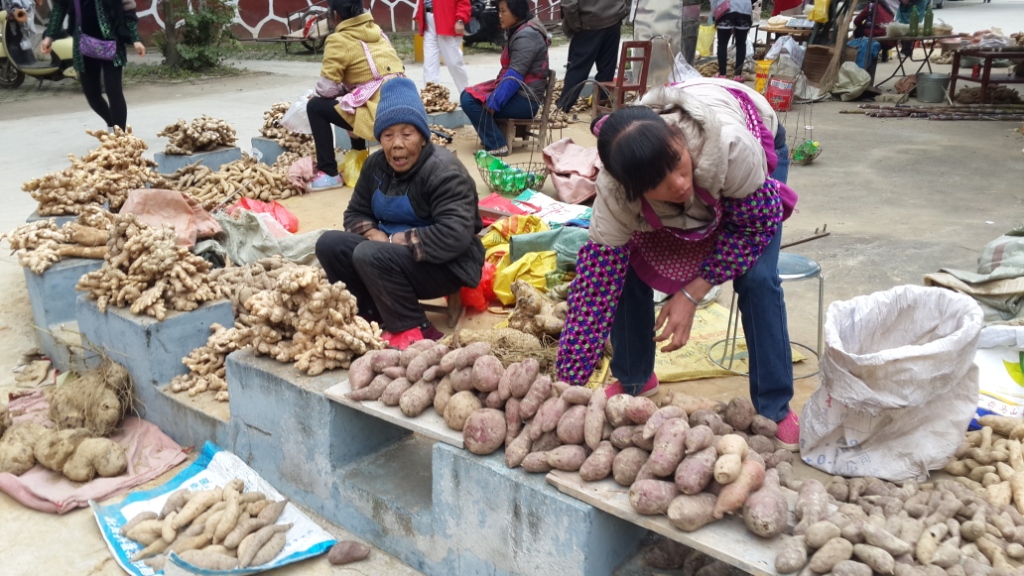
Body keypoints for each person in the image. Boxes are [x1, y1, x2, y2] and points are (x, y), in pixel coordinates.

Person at [555, 78, 800, 450]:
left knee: (758, 278)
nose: (679, 183)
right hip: (675, 165)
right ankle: (635, 378)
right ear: (634, 190)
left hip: (749, 132)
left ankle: (775, 408)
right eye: (660, 181)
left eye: (677, 164)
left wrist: (691, 293)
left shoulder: (730, 148)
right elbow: (594, 293)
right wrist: (566, 387)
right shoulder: (615, 194)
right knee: (620, 268)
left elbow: (753, 229)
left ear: (677, 140)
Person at [315, 77, 485, 351]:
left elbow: (454, 234)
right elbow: (355, 213)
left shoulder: (444, 172)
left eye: (407, 134)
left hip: (445, 266)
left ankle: (416, 327)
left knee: (369, 253)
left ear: (423, 137)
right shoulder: (375, 165)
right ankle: (370, 312)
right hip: (387, 259)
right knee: (329, 243)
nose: (396, 144)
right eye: (388, 135)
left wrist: (394, 241)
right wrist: (373, 233)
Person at [306, 0, 406, 192]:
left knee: (316, 106)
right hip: (403, 101)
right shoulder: (378, 32)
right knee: (352, 97)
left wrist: (323, 92)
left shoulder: (339, 40)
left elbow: (327, 90)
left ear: (335, 15)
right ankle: (359, 158)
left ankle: (329, 173)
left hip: (377, 112)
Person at [460, 0, 550, 157]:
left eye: (503, 11)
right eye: (499, 11)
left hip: (526, 100)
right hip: (519, 92)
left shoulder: (527, 35)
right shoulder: (519, 30)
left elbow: (515, 75)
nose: (500, 15)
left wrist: (494, 102)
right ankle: (494, 137)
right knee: (468, 95)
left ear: (516, 13)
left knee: (469, 101)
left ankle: (497, 145)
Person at [40, 0, 145, 131]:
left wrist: (135, 39)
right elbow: (59, 8)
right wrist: (49, 37)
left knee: (114, 91)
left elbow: (128, 8)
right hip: (83, 44)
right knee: (92, 94)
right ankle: (112, 126)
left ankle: (120, 137)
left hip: (112, 41)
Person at [555, 0, 629, 114]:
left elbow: (569, 4)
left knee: (578, 67)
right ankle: (600, 105)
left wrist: (575, 24)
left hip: (588, 23)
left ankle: (564, 106)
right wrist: (623, 10)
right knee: (607, 67)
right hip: (612, 18)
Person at [415, 0, 471, 94]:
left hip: (447, 19)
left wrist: (460, 19)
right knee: (429, 62)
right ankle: (432, 95)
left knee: (454, 62)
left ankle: (465, 93)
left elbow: (463, 1)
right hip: (428, 18)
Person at [711, 0, 753, 83]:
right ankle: (738, 75)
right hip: (745, 10)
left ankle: (722, 74)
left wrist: (714, 14)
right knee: (741, 44)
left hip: (725, 11)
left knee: (722, 44)